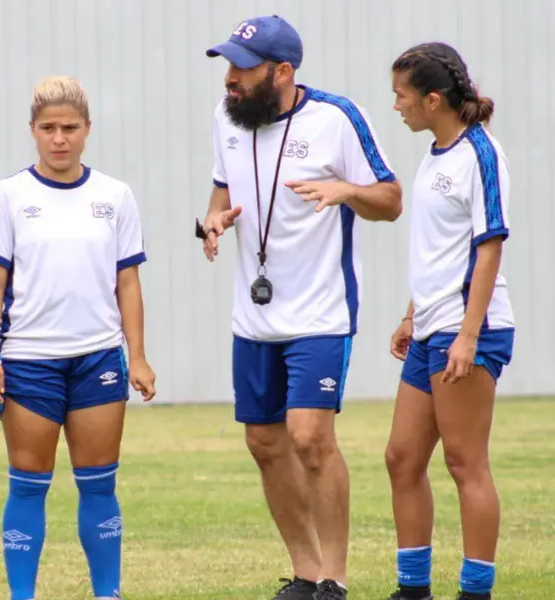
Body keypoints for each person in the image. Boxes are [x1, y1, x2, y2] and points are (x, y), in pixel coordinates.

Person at [200, 15, 403, 600]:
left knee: (310, 437)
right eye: (228, 68)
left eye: (243, 69)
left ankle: (336, 579)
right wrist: (214, 219)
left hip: (320, 311)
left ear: (282, 71)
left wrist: (346, 191)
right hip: (254, 313)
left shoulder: (338, 118)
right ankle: (307, 572)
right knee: (264, 443)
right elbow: (222, 184)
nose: (230, 80)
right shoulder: (228, 116)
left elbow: (389, 200)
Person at [0, 75, 157, 600]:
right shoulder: (9, 195)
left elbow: (128, 281)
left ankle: (108, 593)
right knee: (28, 483)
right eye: (49, 128)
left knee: (99, 483)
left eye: (70, 128)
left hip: (98, 356)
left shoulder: (115, 196)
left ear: (87, 130)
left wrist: (137, 357)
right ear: (32, 131)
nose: (59, 138)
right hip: (29, 360)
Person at [384, 42, 515, 600]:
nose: (397, 106)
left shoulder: (480, 154)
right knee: (401, 458)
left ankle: (475, 592)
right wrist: (413, 313)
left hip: (471, 329)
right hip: (432, 326)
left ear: (433, 99)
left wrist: (466, 335)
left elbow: (489, 248)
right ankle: (413, 590)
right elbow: (439, 247)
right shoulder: (434, 152)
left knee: (465, 464)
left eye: (402, 96)